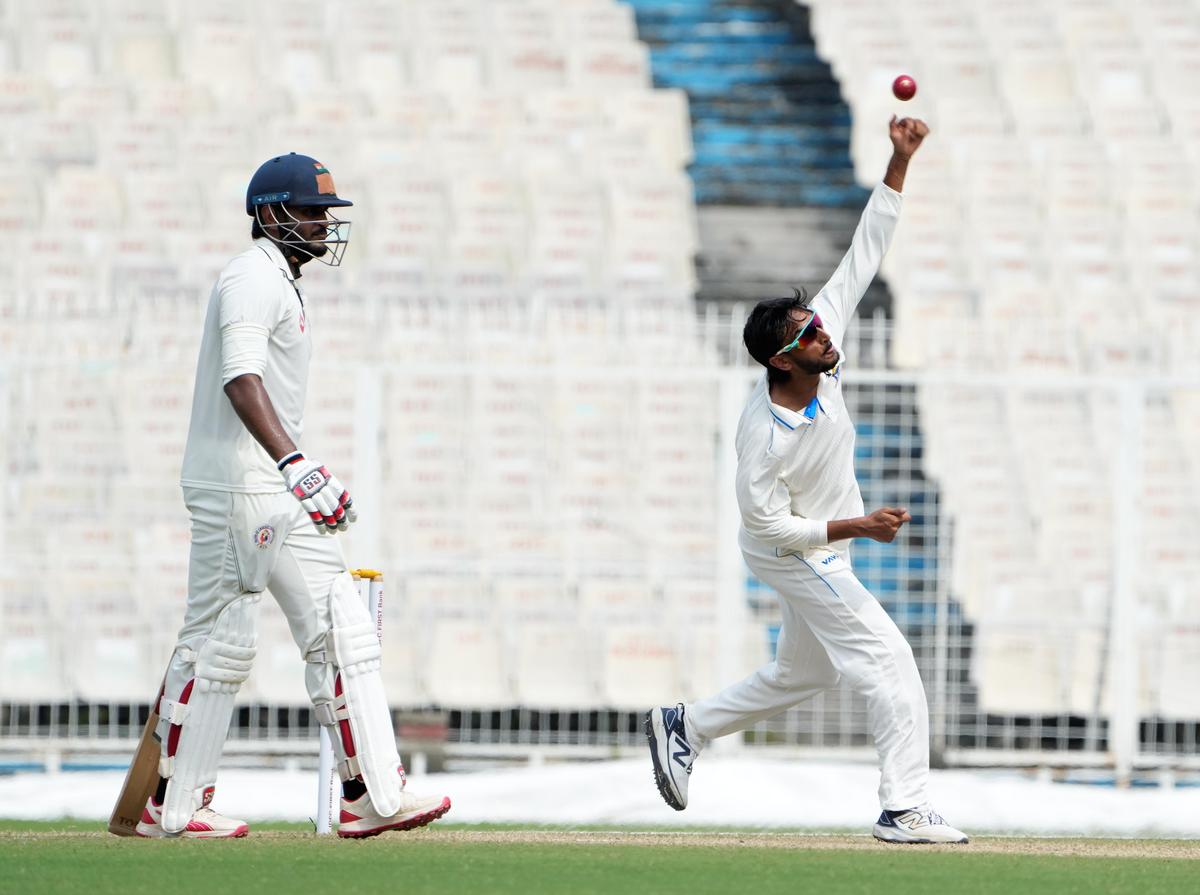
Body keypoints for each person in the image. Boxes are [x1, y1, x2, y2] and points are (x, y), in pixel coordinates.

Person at [646, 118, 967, 844]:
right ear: (782, 361)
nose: (826, 335)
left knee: (807, 674)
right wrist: (857, 526)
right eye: (811, 335)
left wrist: (899, 160)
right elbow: (766, 526)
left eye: (819, 327)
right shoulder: (763, 436)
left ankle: (686, 725)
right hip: (792, 551)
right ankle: (904, 806)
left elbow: (864, 251)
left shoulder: (821, 346)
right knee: (888, 657)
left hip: (824, 543)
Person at [135, 153, 450, 839]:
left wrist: (292, 471)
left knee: (342, 627)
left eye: (325, 214)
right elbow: (241, 379)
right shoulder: (250, 276)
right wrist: (296, 462)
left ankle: (369, 796)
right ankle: (174, 802)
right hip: (237, 484)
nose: (322, 225)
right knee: (219, 639)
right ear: (270, 212)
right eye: (311, 212)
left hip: (272, 484)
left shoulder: (280, 279)